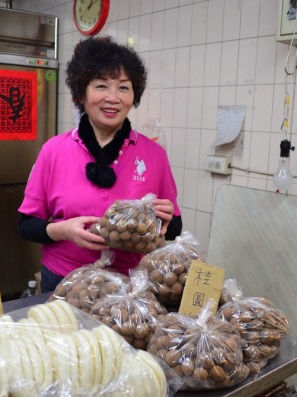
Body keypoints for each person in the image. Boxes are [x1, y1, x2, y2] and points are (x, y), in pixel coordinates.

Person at [18, 36, 182, 293]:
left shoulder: (154, 155)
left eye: (124, 88)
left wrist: (165, 217)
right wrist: (63, 230)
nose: (113, 98)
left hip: (132, 287)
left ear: (134, 96)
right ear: (81, 93)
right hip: (63, 279)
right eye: (101, 86)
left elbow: (175, 228)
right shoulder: (54, 151)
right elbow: (26, 225)